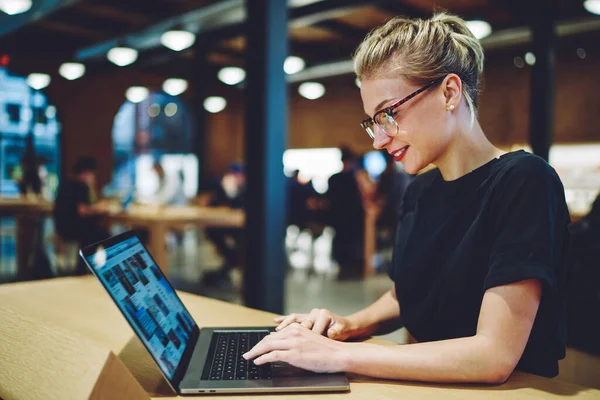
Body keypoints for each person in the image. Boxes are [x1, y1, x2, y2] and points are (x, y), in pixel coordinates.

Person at [242, 13, 571, 383]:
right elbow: (407, 297)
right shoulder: (421, 191)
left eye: (388, 114)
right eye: (373, 121)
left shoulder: (523, 181)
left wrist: (340, 354)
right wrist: (346, 325)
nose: (379, 139)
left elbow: (493, 355)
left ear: (449, 92)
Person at [54, 157, 110, 274]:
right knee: (102, 234)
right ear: (86, 172)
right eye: (92, 174)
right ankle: (84, 268)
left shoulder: (66, 183)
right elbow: (83, 210)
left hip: (61, 227)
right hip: (73, 228)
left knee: (96, 232)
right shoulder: (79, 186)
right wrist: (98, 208)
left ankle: (82, 267)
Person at [202, 163, 246, 286]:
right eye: (232, 175)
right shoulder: (222, 187)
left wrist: (231, 193)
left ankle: (234, 262)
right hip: (225, 226)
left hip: (242, 228)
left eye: (238, 175)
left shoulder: (247, 189)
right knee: (212, 231)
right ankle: (233, 261)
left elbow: (238, 205)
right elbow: (212, 205)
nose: (235, 178)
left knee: (242, 241)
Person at [326, 148, 366, 279]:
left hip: (339, 217)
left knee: (341, 242)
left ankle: (343, 270)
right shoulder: (357, 177)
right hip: (353, 217)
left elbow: (329, 199)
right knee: (353, 242)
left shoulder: (334, 179)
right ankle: (352, 270)